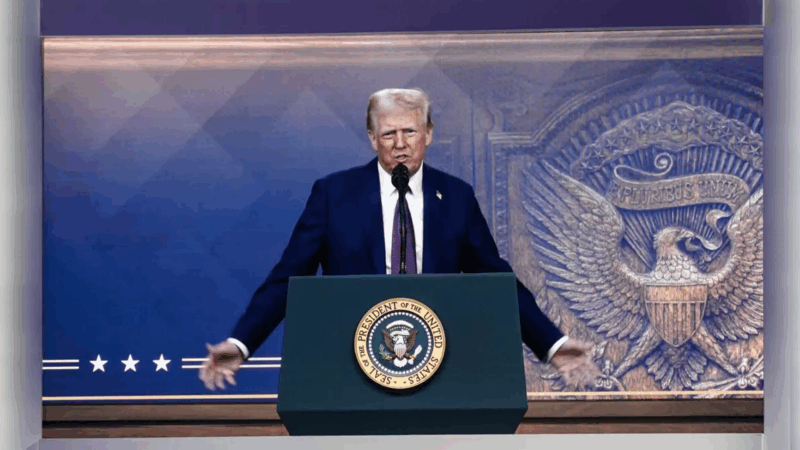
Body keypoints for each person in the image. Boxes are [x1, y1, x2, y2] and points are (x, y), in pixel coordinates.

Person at [200, 88, 599, 391]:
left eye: (410, 131)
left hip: (437, 367)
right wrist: (242, 343)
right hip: (350, 367)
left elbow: (496, 279)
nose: (400, 143)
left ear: (428, 133)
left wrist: (552, 344)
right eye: (388, 133)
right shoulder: (333, 195)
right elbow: (289, 276)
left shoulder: (455, 196)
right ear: (372, 138)